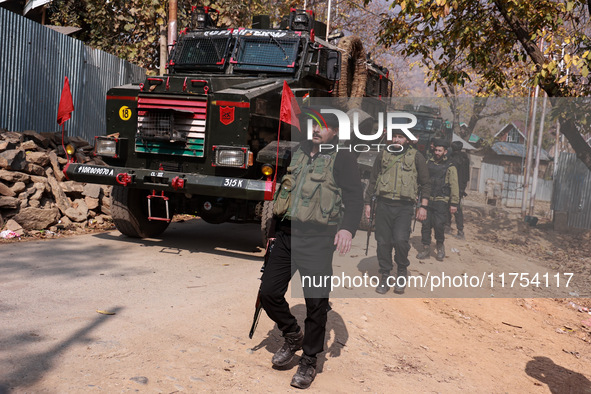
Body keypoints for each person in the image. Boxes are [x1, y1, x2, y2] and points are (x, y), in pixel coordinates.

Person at [259, 108, 363, 389]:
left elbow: (355, 196)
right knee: (268, 292)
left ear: (335, 132)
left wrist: (346, 229)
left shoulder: (343, 158)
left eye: (323, 125)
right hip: (286, 235)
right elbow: (285, 193)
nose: (315, 129)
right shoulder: (298, 152)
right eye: (312, 124)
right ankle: (293, 334)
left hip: (318, 240)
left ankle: (309, 360)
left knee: (316, 304)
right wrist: (271, 232)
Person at [364, 129, 431, 294]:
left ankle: (401, 271)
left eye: (400, 137)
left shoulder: (416, 157)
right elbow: (373, 180)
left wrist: (423, 206)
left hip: (404, 207)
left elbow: (426, 183)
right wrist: (367, 204)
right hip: (383, 204)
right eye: (394, 136)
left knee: (401, 241)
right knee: (383, 242)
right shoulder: (383, 155)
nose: (396, 139)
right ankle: (385, 275)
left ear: (407, 140)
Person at [416, 139, 459, 261]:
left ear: (445, 152)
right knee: (425, 225)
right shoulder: (428, 162)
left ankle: (440, 246)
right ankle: (425, 248)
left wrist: (454, 203)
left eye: (440, 150)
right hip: (427, 199)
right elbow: (421, 180)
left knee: (439, 225)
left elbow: (454, 185)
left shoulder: (450, 166)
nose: (437, 152)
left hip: (441, 200)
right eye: (436, 150)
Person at [448, 141, 470, 239]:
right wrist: (462, 188)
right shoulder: (465, 159)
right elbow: (466, 176)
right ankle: (458, 230)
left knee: (451, 207)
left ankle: (455, 229)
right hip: (461, 187)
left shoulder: (452, 159)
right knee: (456, 208)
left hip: (453, 186)